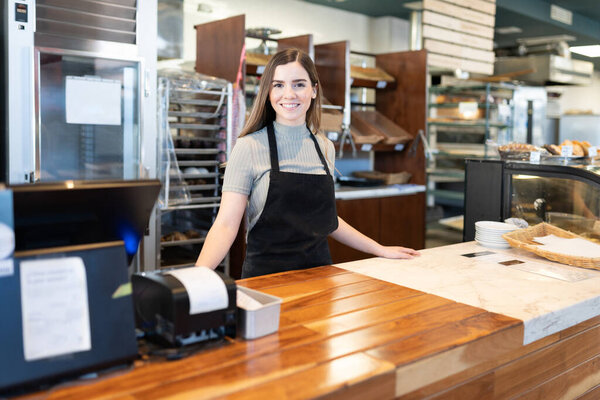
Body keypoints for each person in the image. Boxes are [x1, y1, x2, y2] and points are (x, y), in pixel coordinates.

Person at [196, 48, 420, 278]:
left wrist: (379, 249)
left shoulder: (324, 147)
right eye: (279, 85)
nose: (289, 94)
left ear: (314, 91)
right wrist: (197, 277)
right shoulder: (249, 147)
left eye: (299, 84)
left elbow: (328, 220)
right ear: (268, 92)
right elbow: (225, 225)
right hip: (265, 280)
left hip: (319, 278)